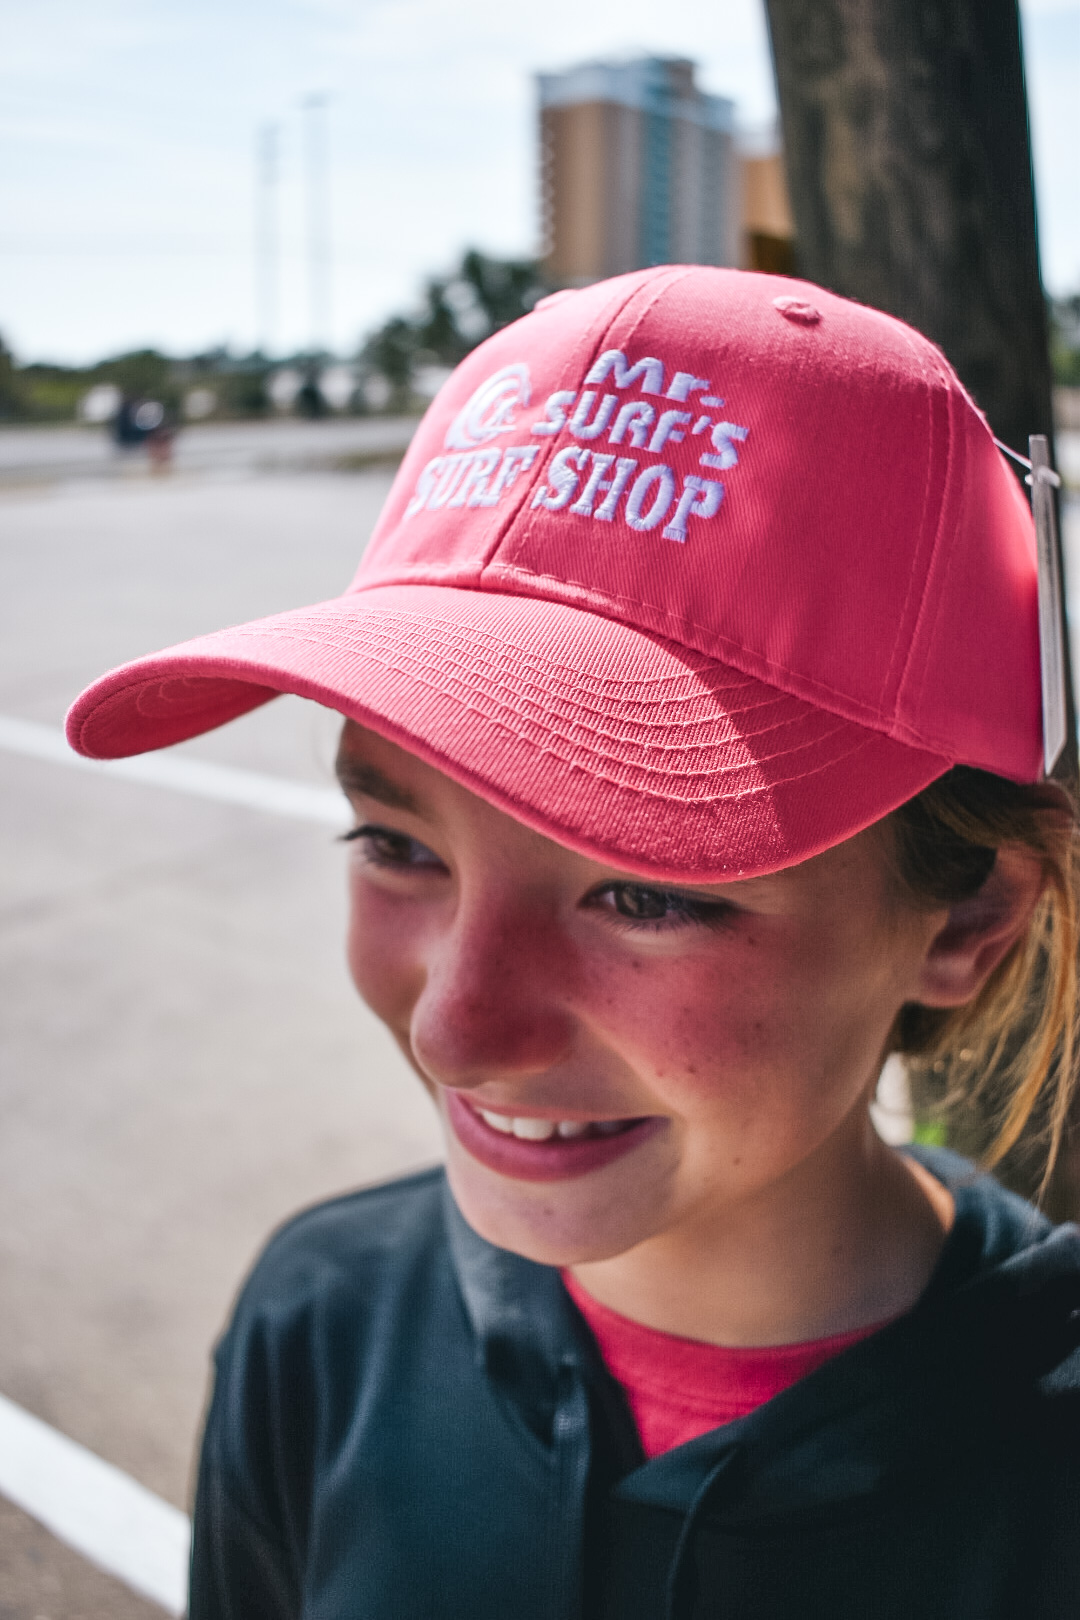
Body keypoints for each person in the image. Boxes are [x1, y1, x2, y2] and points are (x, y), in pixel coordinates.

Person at [66, 268, 1080, 1618]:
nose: (454, 1029)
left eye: (647, 891)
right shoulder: (321, 1323)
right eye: (397, 845)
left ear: (965, 919)